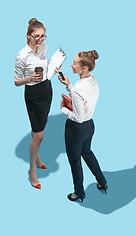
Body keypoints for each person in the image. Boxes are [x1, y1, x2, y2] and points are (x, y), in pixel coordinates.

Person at [57, 50, 108, 202]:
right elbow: (82, 98)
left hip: (76, 129)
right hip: (90, 126)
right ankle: (102, 181)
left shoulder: (78, 89)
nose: (71, 65)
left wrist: (63, 108)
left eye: (74, 63)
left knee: (75, 162)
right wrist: (69, 86)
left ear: (83, 67)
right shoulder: (93, 80)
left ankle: (79, 192)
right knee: (87, 153)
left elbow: (78, 117)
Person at [14, 18, 52, 189]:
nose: (40, 39)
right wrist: (29, 78)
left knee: (39, 128)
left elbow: (44, 63)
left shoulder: (43, 47)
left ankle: (37, 157)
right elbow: (16, 81)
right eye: (37, 36)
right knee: (40, 135)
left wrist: (52, 68)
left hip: (46, 89)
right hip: (33, 94)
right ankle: (32, 171)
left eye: (43, 36)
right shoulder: (22, 55)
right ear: (28, 35)